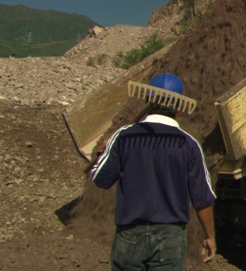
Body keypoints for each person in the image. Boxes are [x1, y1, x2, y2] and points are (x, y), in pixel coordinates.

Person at [90, 73, 217, 271]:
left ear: (148, 100)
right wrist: (210, 236)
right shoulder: (188, 145)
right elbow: (202, 198)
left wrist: (102, 152)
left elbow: (100, 179)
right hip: (170, 238)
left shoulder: (123, 137)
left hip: (130, 235)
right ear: (177, 108)